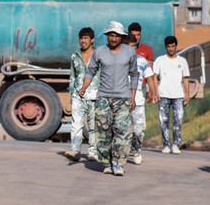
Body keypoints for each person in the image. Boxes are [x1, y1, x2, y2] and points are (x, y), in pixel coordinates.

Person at [79, 21, 138, 176]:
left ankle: (118, 163)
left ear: (121, 37)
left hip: (123, 98)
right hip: (104, 97)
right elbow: (90, 71)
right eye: (110, 35)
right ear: (107, 36)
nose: (113, 38)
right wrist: (84, 87)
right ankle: (106, 162)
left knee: (123, 130)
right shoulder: (99, 51)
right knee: (102, 131)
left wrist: (133, 97)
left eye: (116, 35)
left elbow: (134, 74)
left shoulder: (129, 52)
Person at [65, 27, 100, 162]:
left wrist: (101, 90)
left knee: (93, 125)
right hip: (78, 95)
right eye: (81, 38)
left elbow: (103, 74)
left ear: (92, 40)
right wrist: (72, 92)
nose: (83, 41)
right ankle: (75, 150)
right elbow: (72, 76)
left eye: (86, 38)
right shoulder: (75, 56)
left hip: (94, 94)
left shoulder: (99, 55)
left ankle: (93, 151)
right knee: (76, 123)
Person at [153, 35, 190, 155]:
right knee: (164, 120)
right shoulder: (160, 60)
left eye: (173, 46)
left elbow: (185, 79)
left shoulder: (182, 61)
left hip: (178, 95)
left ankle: (175, 144)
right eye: (168, 47)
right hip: (163, 94)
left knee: (178, 119)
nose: (171, 49)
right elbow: (154, 77)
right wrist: (155, 92)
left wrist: (187, 94)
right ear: (166, 47)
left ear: (176, 46)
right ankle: (166, 145)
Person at [128, 33, 157, 165]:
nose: (132, 49)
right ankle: (119, 152)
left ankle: (136, 150)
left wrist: (153, 91)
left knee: (138, 130)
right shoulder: (119, 60)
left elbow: (150, 77)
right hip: (121, 99)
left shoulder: (142, 61)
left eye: (134, 46)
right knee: (119, 129)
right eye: (130, 46)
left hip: (138, 99)